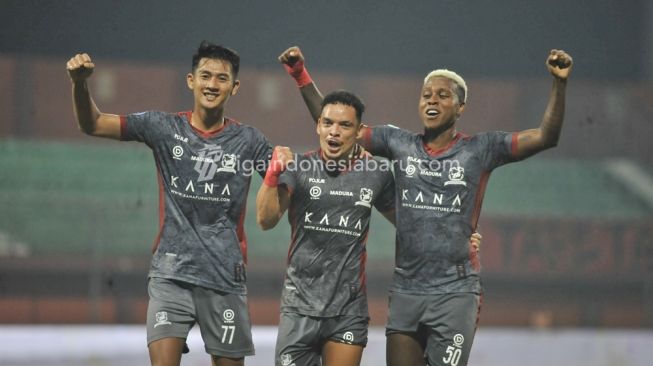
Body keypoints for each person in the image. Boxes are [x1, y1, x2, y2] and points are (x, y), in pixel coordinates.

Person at [279, 46, 573, 366]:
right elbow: (338, 126)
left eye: (443, 95)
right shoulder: (398, 143)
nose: (432, 99)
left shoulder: (481, 149)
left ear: (461, 106)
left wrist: (559, 84)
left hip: (455, 292)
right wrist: (301, 76)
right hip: (406, 291)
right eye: (426, 94)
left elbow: (546, 136)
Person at [67, 41, 273, 366]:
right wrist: (79, 83)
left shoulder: (249, 141)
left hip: (224, 280)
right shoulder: (163, 128)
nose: (212, 84)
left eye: (221, 78)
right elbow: (92, 123)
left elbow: (288, 180)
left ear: (234, 87)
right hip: (170, 275)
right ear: (191, 80)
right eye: (205, 76)